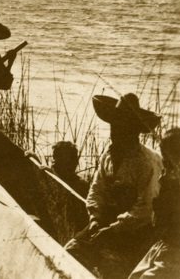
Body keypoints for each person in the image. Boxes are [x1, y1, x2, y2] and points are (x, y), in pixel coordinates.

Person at [66, 93, 163, 278]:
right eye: (113, 126)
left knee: (112, 266)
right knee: (69, 251)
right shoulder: (109, 155)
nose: (114, 132)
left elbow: (146, 210)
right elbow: (96, 190)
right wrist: (95, 220)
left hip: (135, 231)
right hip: (105, 222)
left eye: (121, 128)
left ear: (133, 131)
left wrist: (113, 229)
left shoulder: (146, 162)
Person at [130, 127, 180, 278]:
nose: (161, 177)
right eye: (165, 167)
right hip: (163, 246)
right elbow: (158, 222)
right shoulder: (170, 182)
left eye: (170, 167)